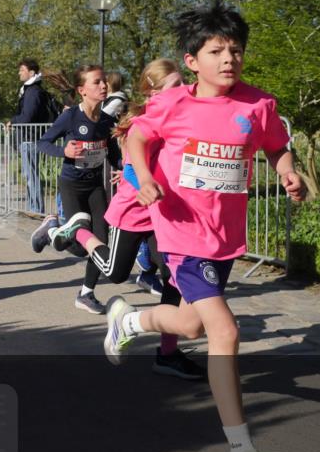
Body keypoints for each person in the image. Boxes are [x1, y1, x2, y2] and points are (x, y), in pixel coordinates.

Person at [102, 1, 306, 452]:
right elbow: (136, 141)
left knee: (191, 325)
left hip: (222, 239)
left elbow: (277, 145)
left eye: (235, 50)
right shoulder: (173, 104)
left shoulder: (257, 106)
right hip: (179, 234)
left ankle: (130, 322)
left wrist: (285, 169)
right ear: (192, 60)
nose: (228, 59)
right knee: (224, 330)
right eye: (216, 50)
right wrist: (146, 176)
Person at [46, 59, 205, 380]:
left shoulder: (183, 118)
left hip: (163, 215)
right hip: (133, 211)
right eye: (175, 86)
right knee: (115, 274)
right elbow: (133, 163)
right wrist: (137, 178)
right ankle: (77, 231)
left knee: (172, 275)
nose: (183, 91)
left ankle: (168, 354)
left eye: (183, 83)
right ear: (154, 92)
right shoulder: (142, 122)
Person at [33, 65, 120, 314]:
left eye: (104, 81)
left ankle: (86, 293)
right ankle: (51, 230)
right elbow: (43, 142)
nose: (103, 86)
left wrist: (123, 168)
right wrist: (65, 152)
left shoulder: (107, 120)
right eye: (96, 82)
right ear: (82, 90)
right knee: (81, 242)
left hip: (95, 186)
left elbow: (113, 153)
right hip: (71, 185)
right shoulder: (70, 117)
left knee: (100, 244)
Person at [10, 59, 55, 214]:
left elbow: (27, 117)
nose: (19, 72)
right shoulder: (30, 90)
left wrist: (12, 121)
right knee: (30, 174)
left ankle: (36, 209)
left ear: (31, 73)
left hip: (30, 137)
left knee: (31, 175)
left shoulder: (33, 91)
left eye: (22, 70)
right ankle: (33, 207)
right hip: (29, 137)